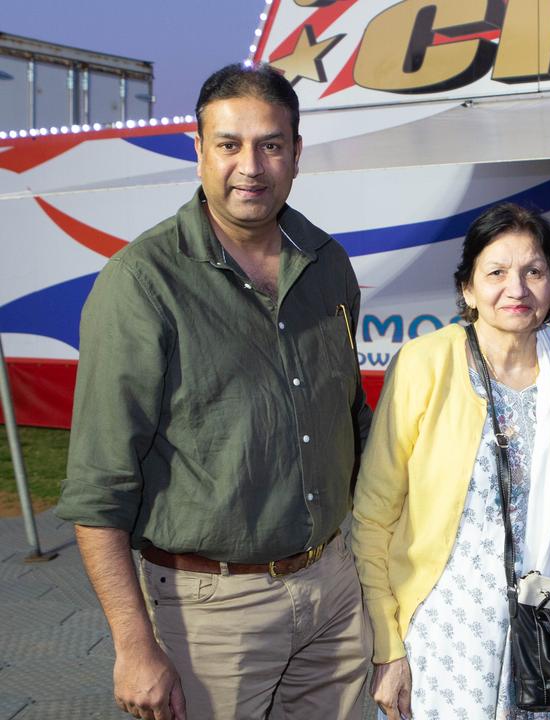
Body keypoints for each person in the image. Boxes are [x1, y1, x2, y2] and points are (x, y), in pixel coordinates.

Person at [57, 63, 371, 720]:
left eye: (270, 144)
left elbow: (350, 420)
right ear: (198, 151)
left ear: (295, 154)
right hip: (211, 616)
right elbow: (98, 485)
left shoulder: (328, 265)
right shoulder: (142, 284)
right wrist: (132, 643)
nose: (250, 165)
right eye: (229, 144)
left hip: (335, 593)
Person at [352, 202, 550, 720]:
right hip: (448, 642)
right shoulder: (425, 362)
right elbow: (372, 518)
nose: (516, 288)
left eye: (534, 271)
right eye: (496, 272)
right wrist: (388, 646)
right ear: (467, 289)